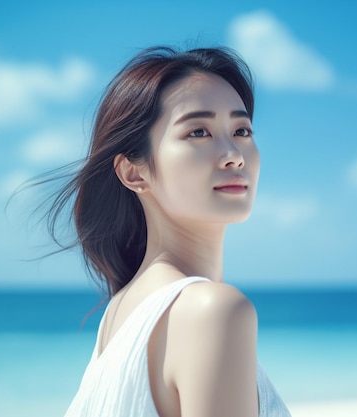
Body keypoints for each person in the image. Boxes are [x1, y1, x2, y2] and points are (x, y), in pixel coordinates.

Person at [54, 46, 292, 417]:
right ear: (134, 172)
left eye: (241, 130)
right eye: (199, 131)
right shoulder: (212, 311)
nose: (234, 154)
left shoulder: (120, 312)